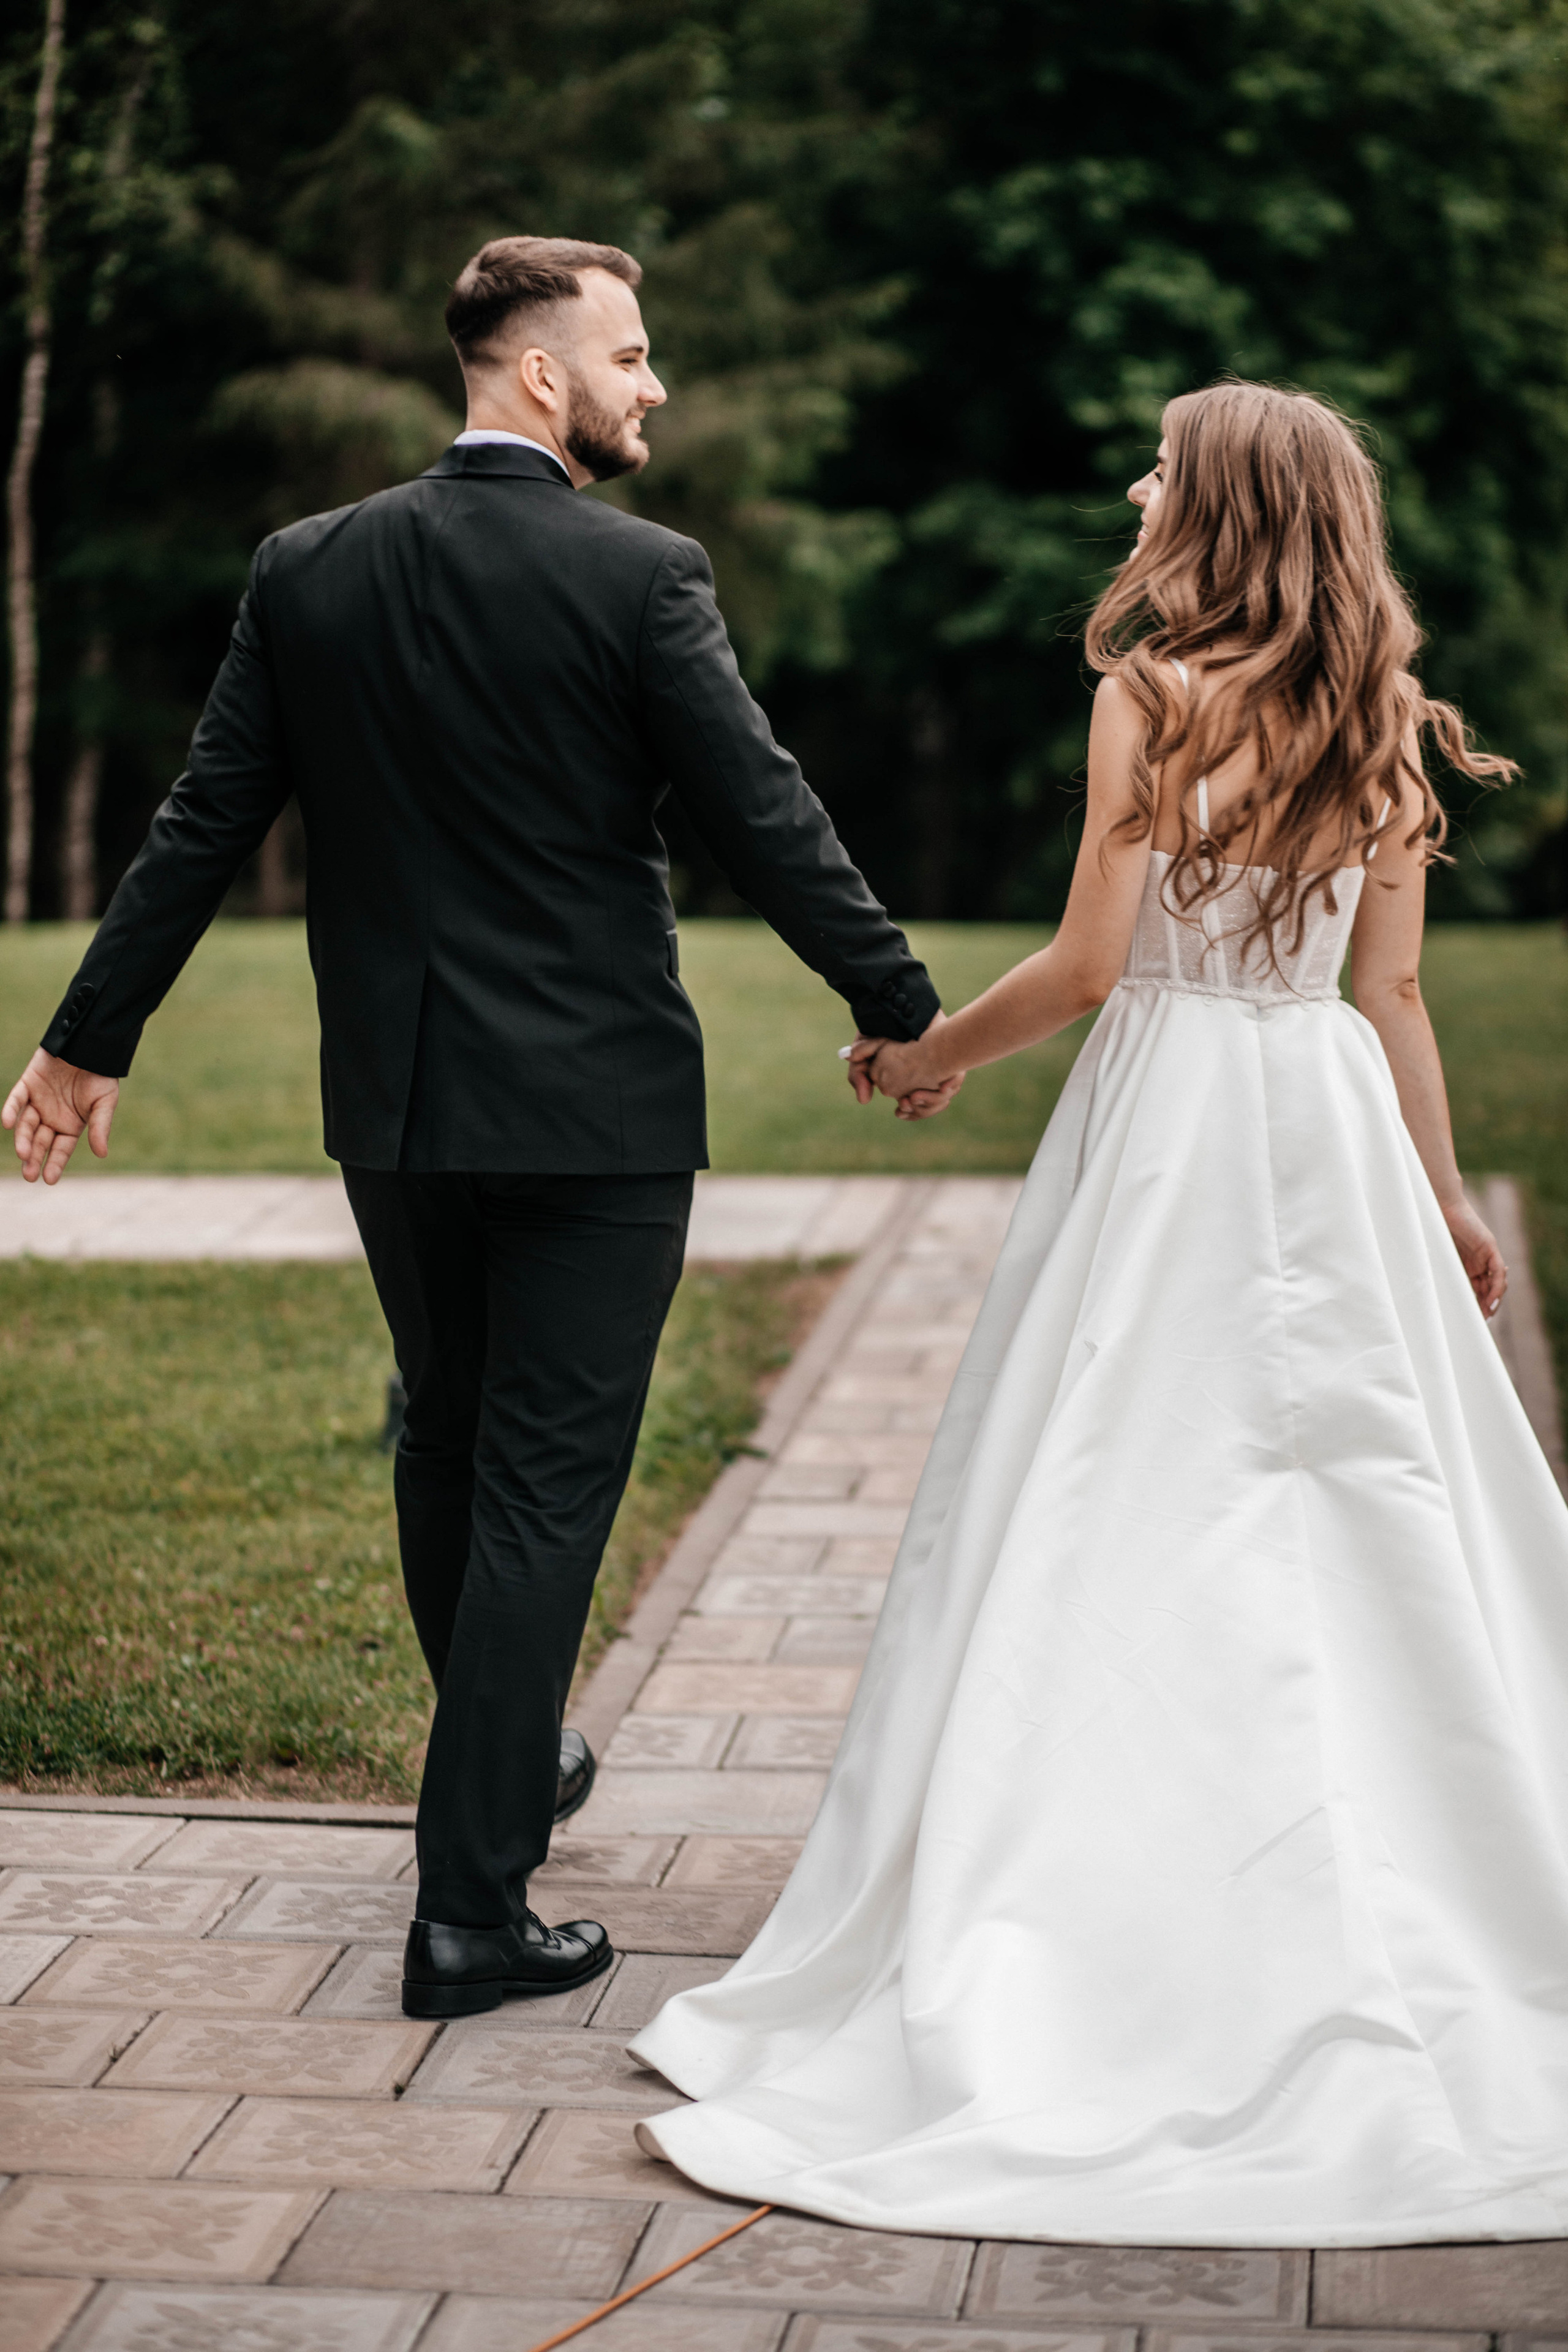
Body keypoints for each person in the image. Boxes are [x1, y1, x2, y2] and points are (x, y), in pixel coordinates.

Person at [631, 382, 1568, 2245]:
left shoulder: (1150, 692)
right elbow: (1389, 999)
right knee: (1353, 1493)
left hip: (1172, 1123)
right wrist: (1447, 1196)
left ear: (1220, 503)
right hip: (1321, 1117)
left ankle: (1120, 1866)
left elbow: (1088, 965)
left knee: (1124, 1475)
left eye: (1160, 462)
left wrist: (926, 1054)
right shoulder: (1381, 710)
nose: (1136, 486)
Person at [2, 233, 953, 2021]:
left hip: (401, 1105)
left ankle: (505, 1757)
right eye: (632, 354)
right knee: (543, 1486)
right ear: (542, 374)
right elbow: (762, 813)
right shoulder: (642, 574)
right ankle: (471, 1910)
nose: (654, 384)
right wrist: (900, 1009)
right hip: (596, 1113)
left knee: (448, 1439)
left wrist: (83, 1041)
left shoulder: (309, 566)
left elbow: (204, 819)